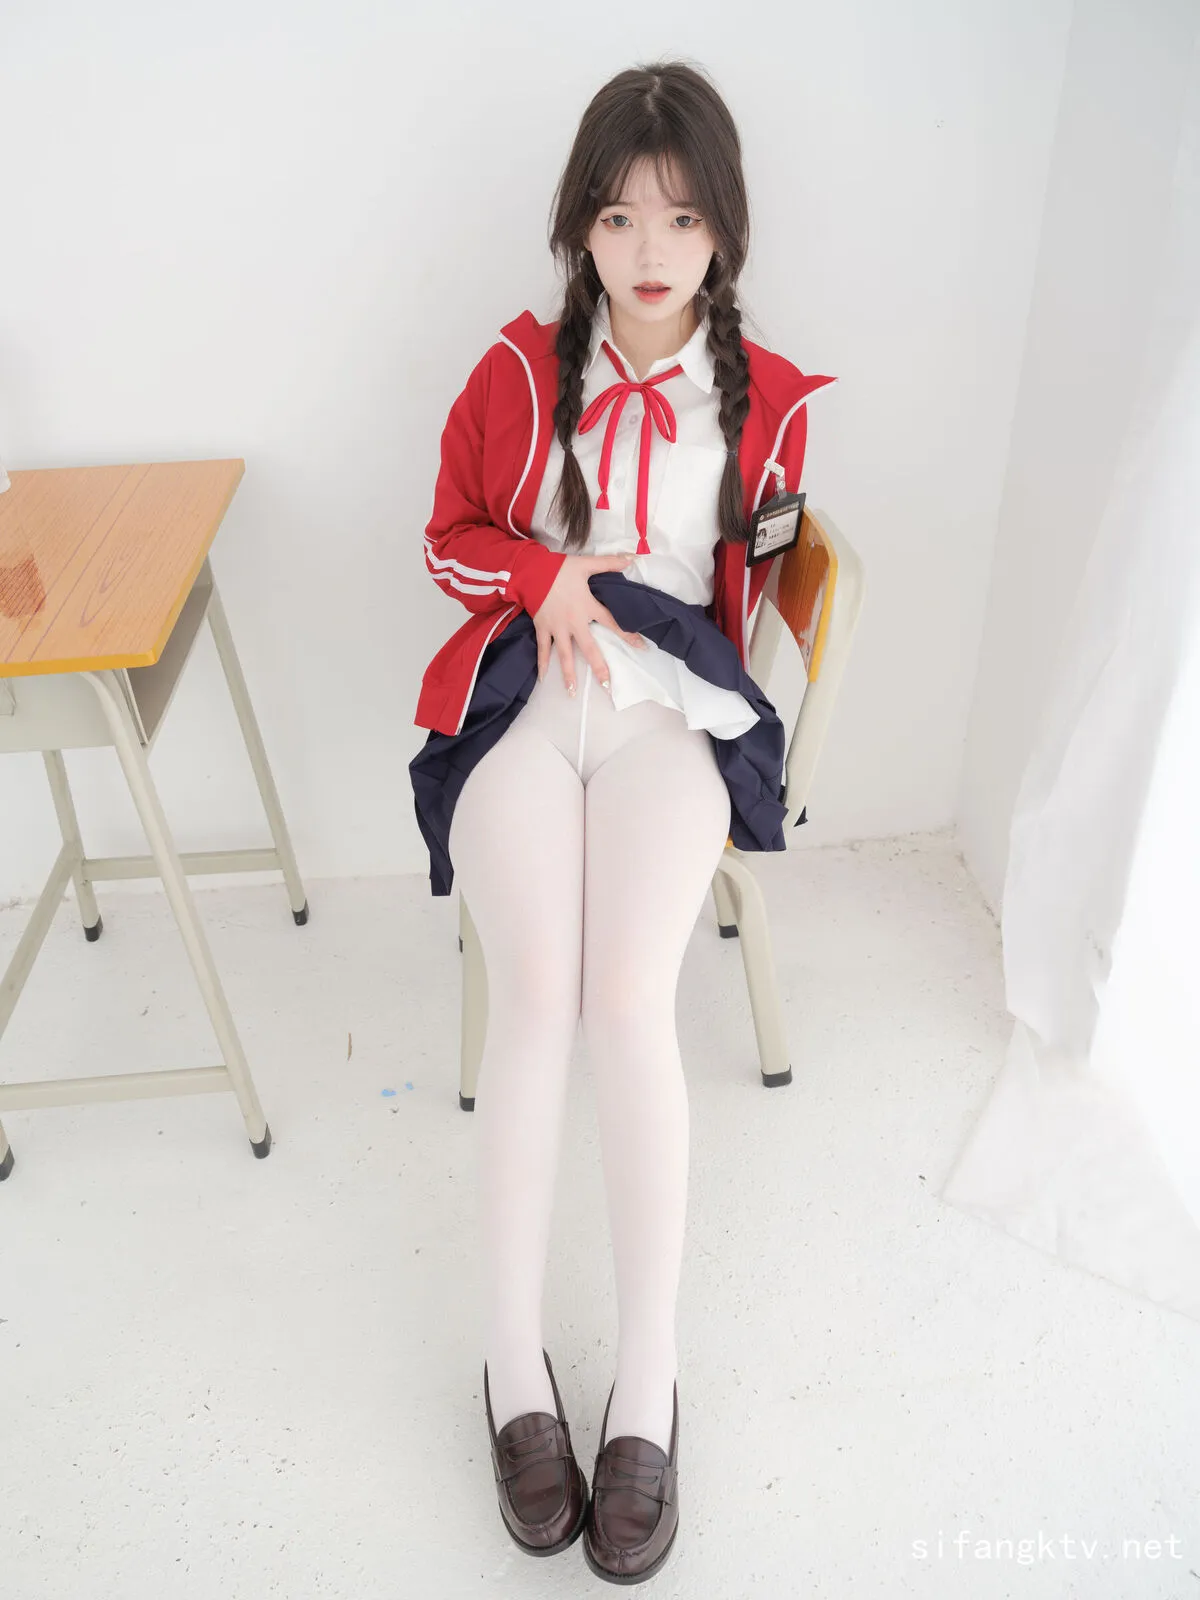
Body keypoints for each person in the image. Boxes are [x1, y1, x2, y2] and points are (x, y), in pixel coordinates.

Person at [409, 59, 834, 1584]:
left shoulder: (767, 399)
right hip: (529, 700)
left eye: (682, 217)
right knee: (539, 995)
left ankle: (646, 1381)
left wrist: (670, 647)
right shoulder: (519, 372)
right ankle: (512, 1361)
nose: (650, 250)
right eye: (619, 217)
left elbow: (750, 597)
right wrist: (545, 577)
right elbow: (447, 540)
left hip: (665, 719)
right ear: (579, 228)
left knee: (627, 1001)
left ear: (725, 230)